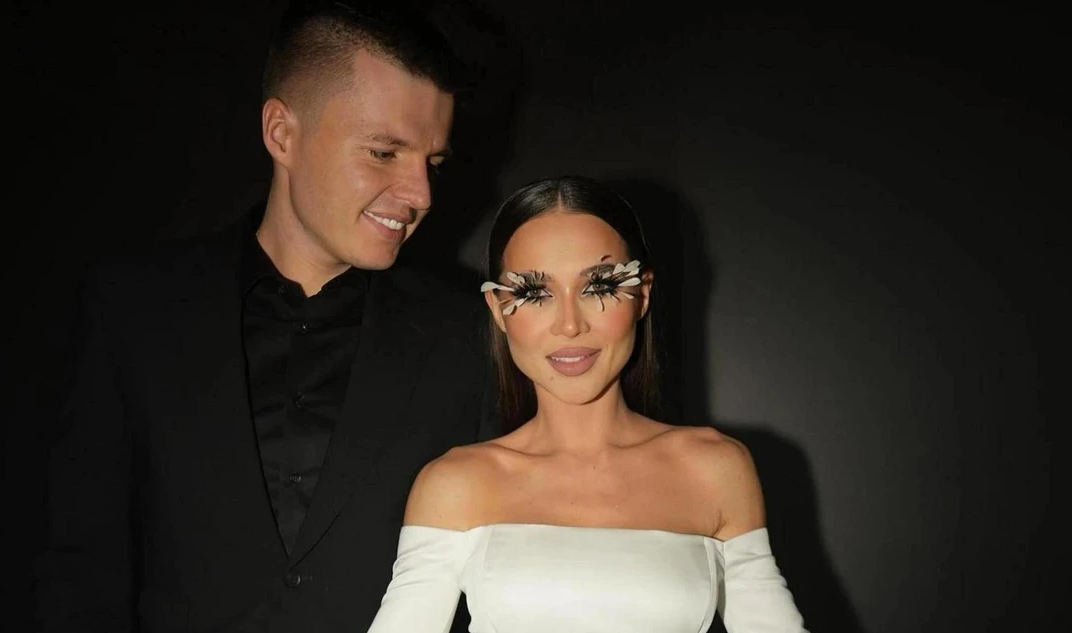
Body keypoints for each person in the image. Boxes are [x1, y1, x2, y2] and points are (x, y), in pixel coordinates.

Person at [35, 1, 498, 631]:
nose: (421, 194)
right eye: (384, 152)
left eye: (432, 164)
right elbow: (78, 572)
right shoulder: (132, 311)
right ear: (281, 133)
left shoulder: (469, 332)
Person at [366, 175, 807, 632]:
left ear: (642, 295)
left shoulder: (715, 469)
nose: (569, 324)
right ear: (498, 310)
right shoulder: (456, 484)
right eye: (534, 293)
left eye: (599, 287)